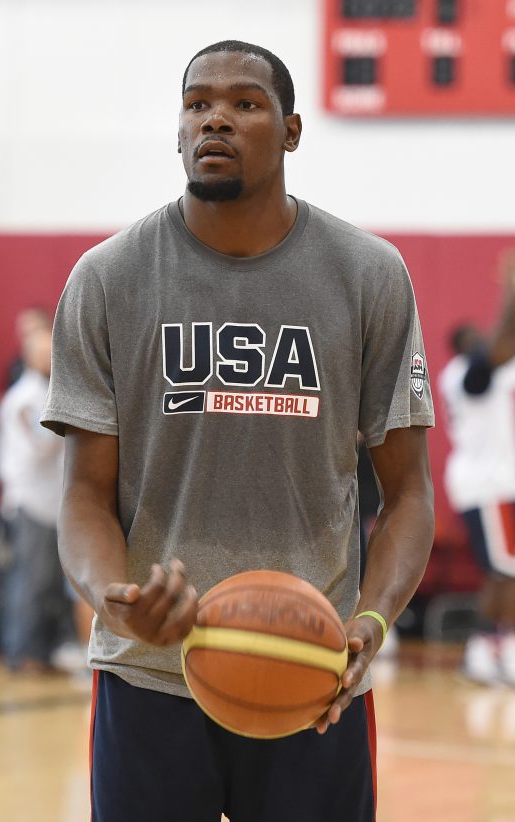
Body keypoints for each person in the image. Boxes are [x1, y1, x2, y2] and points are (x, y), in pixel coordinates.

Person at [41, 41, 435, 821]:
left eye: (244, 104)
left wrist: (372, 618)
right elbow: (83, 496)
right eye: (197, 104)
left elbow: (409, 493)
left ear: (290, 131)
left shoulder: (368, 274)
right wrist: (115, 598)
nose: (215, 118)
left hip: (311, 665)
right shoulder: (107, 278)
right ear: (179, 130)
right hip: (150, 674)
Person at [441, 250, 515, 686]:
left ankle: (496, 643)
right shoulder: (466, 374)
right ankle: (485, 647)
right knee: (502, 571)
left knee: (506, 570)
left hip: (496, 481)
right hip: (485, 483)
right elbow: (502, 339)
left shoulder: (486, 372)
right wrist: (509, 290)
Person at [0, 327, 70, 672]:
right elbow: (43, 446)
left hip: (53, 501)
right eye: (43, 353)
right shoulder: (24, 398)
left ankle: (41, 650)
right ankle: (19, 652)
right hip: (30, 502)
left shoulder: (49, 392)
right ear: (29, 356)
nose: (50, 359)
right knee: (30, 582)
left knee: (49, 585)